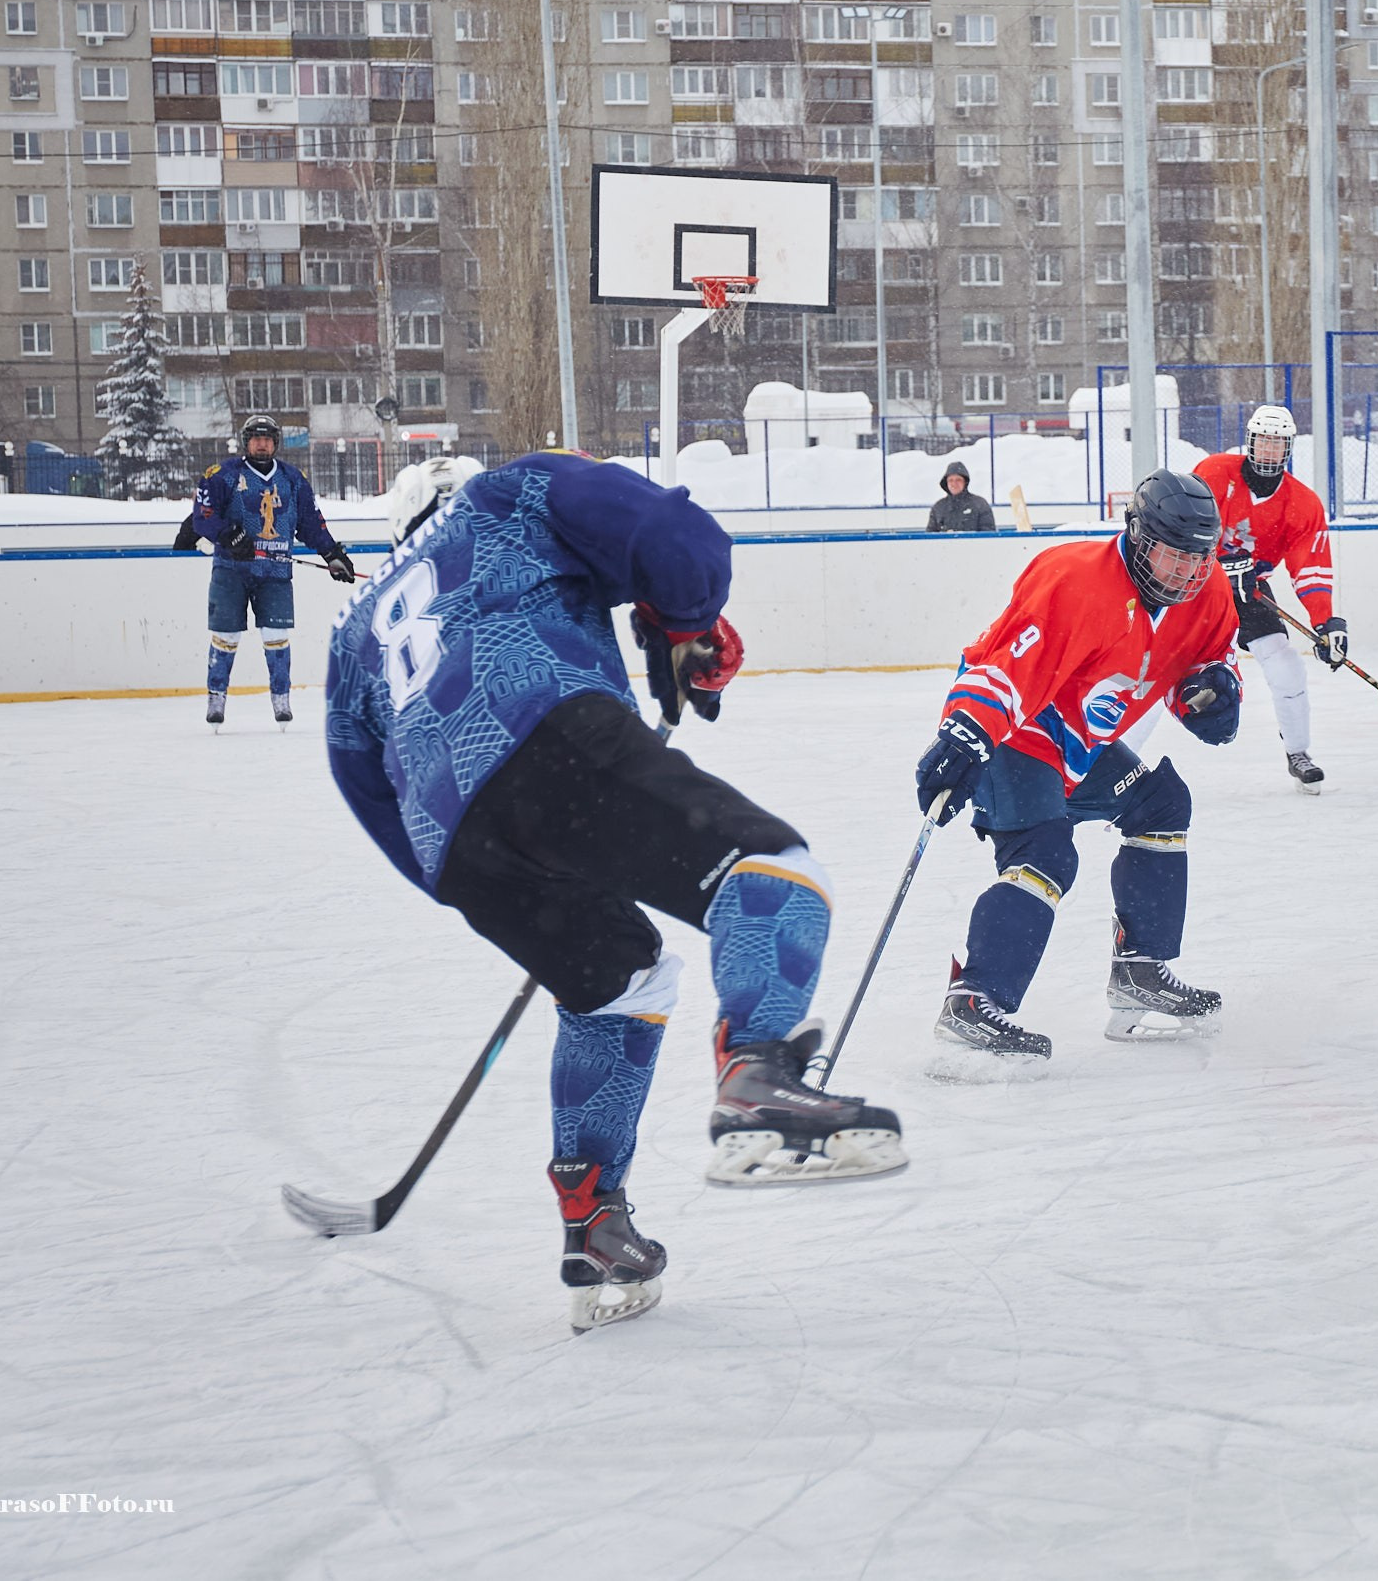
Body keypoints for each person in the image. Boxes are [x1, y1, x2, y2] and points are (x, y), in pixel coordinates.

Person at [325, 451, 906, 1333]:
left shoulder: (351, 630)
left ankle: (595, 1223)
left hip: (459, 846)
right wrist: (686, 619)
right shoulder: (502, 495)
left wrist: (483, 873)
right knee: (777, 874)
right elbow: (678, 535)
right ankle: (757, 1070)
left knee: (622, 984)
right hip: (545, 731)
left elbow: (364, 784)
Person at [913, 469, 1242, 1071]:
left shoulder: (1208, 589)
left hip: (1081, 745)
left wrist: (1214, 690)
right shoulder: (1073, 578)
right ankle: (973, 1002)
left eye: (1201, 558)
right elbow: (1002, 668)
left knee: (1163, 804)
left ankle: (1140, 969)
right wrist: (964, 735)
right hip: (1015, 733)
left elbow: (1207, 658)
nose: (1189, 574)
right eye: (1175, 556)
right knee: (1045, 856)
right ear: (1140, 539)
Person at [1190, 404, 1346, 793]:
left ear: (1289, 448)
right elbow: (1187, 530)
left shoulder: (1302, 504)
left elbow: (1309, 566)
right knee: (1153, 670)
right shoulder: (1214, 473)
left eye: (1278, 444)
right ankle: (1108, 760)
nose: (1270, 451)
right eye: (1264, 442)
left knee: (1287, 668)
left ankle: (1298, 753)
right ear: (1250, 442)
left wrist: (1325, 622)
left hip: (1249, 592)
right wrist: (1219, 564)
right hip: (1193, 588)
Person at [189, 415, 354, 726]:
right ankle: (216, 699)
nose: (261, 443)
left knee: (277, 635)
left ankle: (281, 700)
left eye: (267, 438)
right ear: (246, 442)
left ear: (275, 443)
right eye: (255, 438)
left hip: (275, 571)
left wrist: (331, 553)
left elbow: (310, 523)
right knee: (225, 636)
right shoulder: (222, 475)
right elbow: (203, 516)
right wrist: (227, 535)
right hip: (230, 569)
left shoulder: (293, 479)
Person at [926, 460, 996, 532]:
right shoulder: (938, 507)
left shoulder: (980, 504)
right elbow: (929, 536)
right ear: (946, 483)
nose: (954, 483)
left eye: (958, 480)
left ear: (965, 482)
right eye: (950, 480)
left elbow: (988, 533)